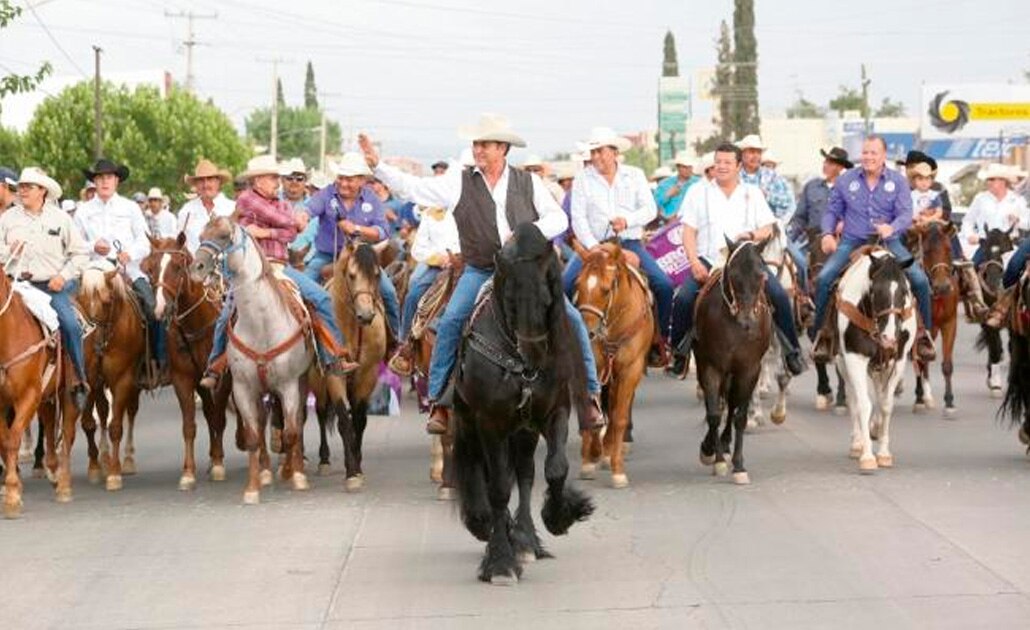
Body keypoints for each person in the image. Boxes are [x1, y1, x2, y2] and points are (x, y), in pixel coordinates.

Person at [359, 113, 604, 435]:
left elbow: (557, 219)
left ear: (502, 148)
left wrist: (527, 232)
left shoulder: (527, 182)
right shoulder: (458, 181)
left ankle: (589, 395)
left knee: (569, 317)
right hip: (479, 267)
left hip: (524, 269)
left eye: (485, 144)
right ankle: (440, 401)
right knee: (450, 322)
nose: (478, 150)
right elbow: (415, 188)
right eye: (476, 144)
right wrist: (378, 166)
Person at [199, 155, 359, 388]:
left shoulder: (282, 203)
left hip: (280, 266)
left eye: (277, 177)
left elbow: (291, 234)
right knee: (226, 313)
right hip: (250, 271)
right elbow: (283, 221)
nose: (278, 181)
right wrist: (283, 225)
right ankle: (214, 366)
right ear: (258, 181)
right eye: (273, 177)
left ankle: (332, 355)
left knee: (321, 298)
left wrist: (262, 233)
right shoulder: (247, 199)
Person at [667, 142, 806, 377]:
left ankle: (792, 351)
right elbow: (688, 231)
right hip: (710, 260)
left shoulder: (752, 193)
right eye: (718, 162)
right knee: (682, 299)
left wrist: (752, 235)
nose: (721, 167)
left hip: (746, 262)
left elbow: (768, 228)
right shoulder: (698, 192)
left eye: (727, 162)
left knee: (780, 295)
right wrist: (694, 262)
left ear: (738, 166)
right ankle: (679, 353)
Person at [810, 136, 936, 362]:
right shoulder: (846, 180)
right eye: (865, 152)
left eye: (873, 153)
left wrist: (892, 227)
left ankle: (922, 335)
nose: (868, 157)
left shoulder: (898, 181)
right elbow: (831, 211)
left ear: (883, 156)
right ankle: (822, 335)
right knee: (824, 278)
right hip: (852, 241)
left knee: (920, 280)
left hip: (889, 242)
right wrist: (828, 233)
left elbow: (906, 214)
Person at [565, 126, 673, 364]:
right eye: (592, 152)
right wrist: (595, 247)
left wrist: (628, 221)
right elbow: (578, 218)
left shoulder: (634, 175)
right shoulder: (583, 179)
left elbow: (649, 209)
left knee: (664, 286)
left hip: (630, 244)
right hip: (594, 247)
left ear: (614, 152)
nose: (595, 157)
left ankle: (660, 340)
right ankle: (564, 345)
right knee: (563, 285)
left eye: (600, 151)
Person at [0, 167, 90, 409]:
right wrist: (9, 251)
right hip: (14, 286)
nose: (22, 190)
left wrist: (64, 276)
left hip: (50, 286)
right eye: (21, 186)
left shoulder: (60, 219)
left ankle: (79, 379)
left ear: (43, 191)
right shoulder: (7, 218)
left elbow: (81, 254)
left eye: (29, 187)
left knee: (71, 325)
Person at [75, 158, 164, 377]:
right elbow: (74, 244)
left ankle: (153, 361)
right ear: (94, 182)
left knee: (153, 310)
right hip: (92, 272)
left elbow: (144, 241)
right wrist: (92, 246)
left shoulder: (130, 208)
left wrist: (129, 254)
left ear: (116, 181)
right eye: (100, 178)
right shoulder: (82, 211)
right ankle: (73, 368)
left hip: (128, 271)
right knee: (69, 313)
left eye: (109, 177)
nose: (104, 181)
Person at [303, 153, 401, 335]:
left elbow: (383, 231)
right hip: (325, 256)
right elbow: (309, 209)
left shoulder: (372, 199)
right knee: (303, 288)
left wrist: (356, 229)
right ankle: (306, 337)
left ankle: (396, 340)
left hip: (361, 256)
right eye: (341, 178)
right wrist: (302, 217)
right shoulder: (326, 194)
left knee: (389, 294)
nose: (343, 183)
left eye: (349, 179)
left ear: (362, 181)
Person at [906, 152, 988, 321]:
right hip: (913, 228)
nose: (910, 169)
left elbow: (947, 211)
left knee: (954, 243)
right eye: (910, 166)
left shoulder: (937, 189)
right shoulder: (905, 190)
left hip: (937, 228)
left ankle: (974, 297)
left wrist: (932, 218)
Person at [387, 205, 460, 376]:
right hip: (437, 265)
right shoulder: (430, 213)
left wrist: (458, 255)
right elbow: (418, 248)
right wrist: (438, 258)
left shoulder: (473, 205)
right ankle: (406, 345)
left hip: (468, 263)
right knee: (413, 294)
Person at [787, 147, 853, 289]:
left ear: (840, 167)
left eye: (830, 162)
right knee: (794, 265)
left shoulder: (851, 190)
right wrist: (788, 237)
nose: (825, 165)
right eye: (825, 161)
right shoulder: (811, 187)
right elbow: (800, 218)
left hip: (840, 241)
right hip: (812, 241)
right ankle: (803, 300)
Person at [974, 164, 1030, 328]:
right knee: (1013, 265)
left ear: (1003, 181)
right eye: (989, 179)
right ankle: (1002, 305)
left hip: (1008, 242)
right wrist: (1019, 221)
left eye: (993, 179)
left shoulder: (1016, 199)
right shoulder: (981, 199)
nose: (989, 182)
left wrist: (1020, 221)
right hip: (991, 242)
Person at [178, 159, 236, 255]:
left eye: (210, 179)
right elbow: (180, 245)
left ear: (218, 182)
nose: (205, 185)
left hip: (226, 268)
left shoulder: (232, 208)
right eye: (201, 181)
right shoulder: (186, 211)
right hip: (193, 267)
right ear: (196, 185)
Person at [653, 151, 700, 221]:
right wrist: (668, 195)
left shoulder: (699, 183)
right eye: (685, 167)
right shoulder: (664, 184)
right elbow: (653, 205)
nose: (688, 169)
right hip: (669, 224)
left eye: (690, 166)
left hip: (693, 223)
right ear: (678, 167)